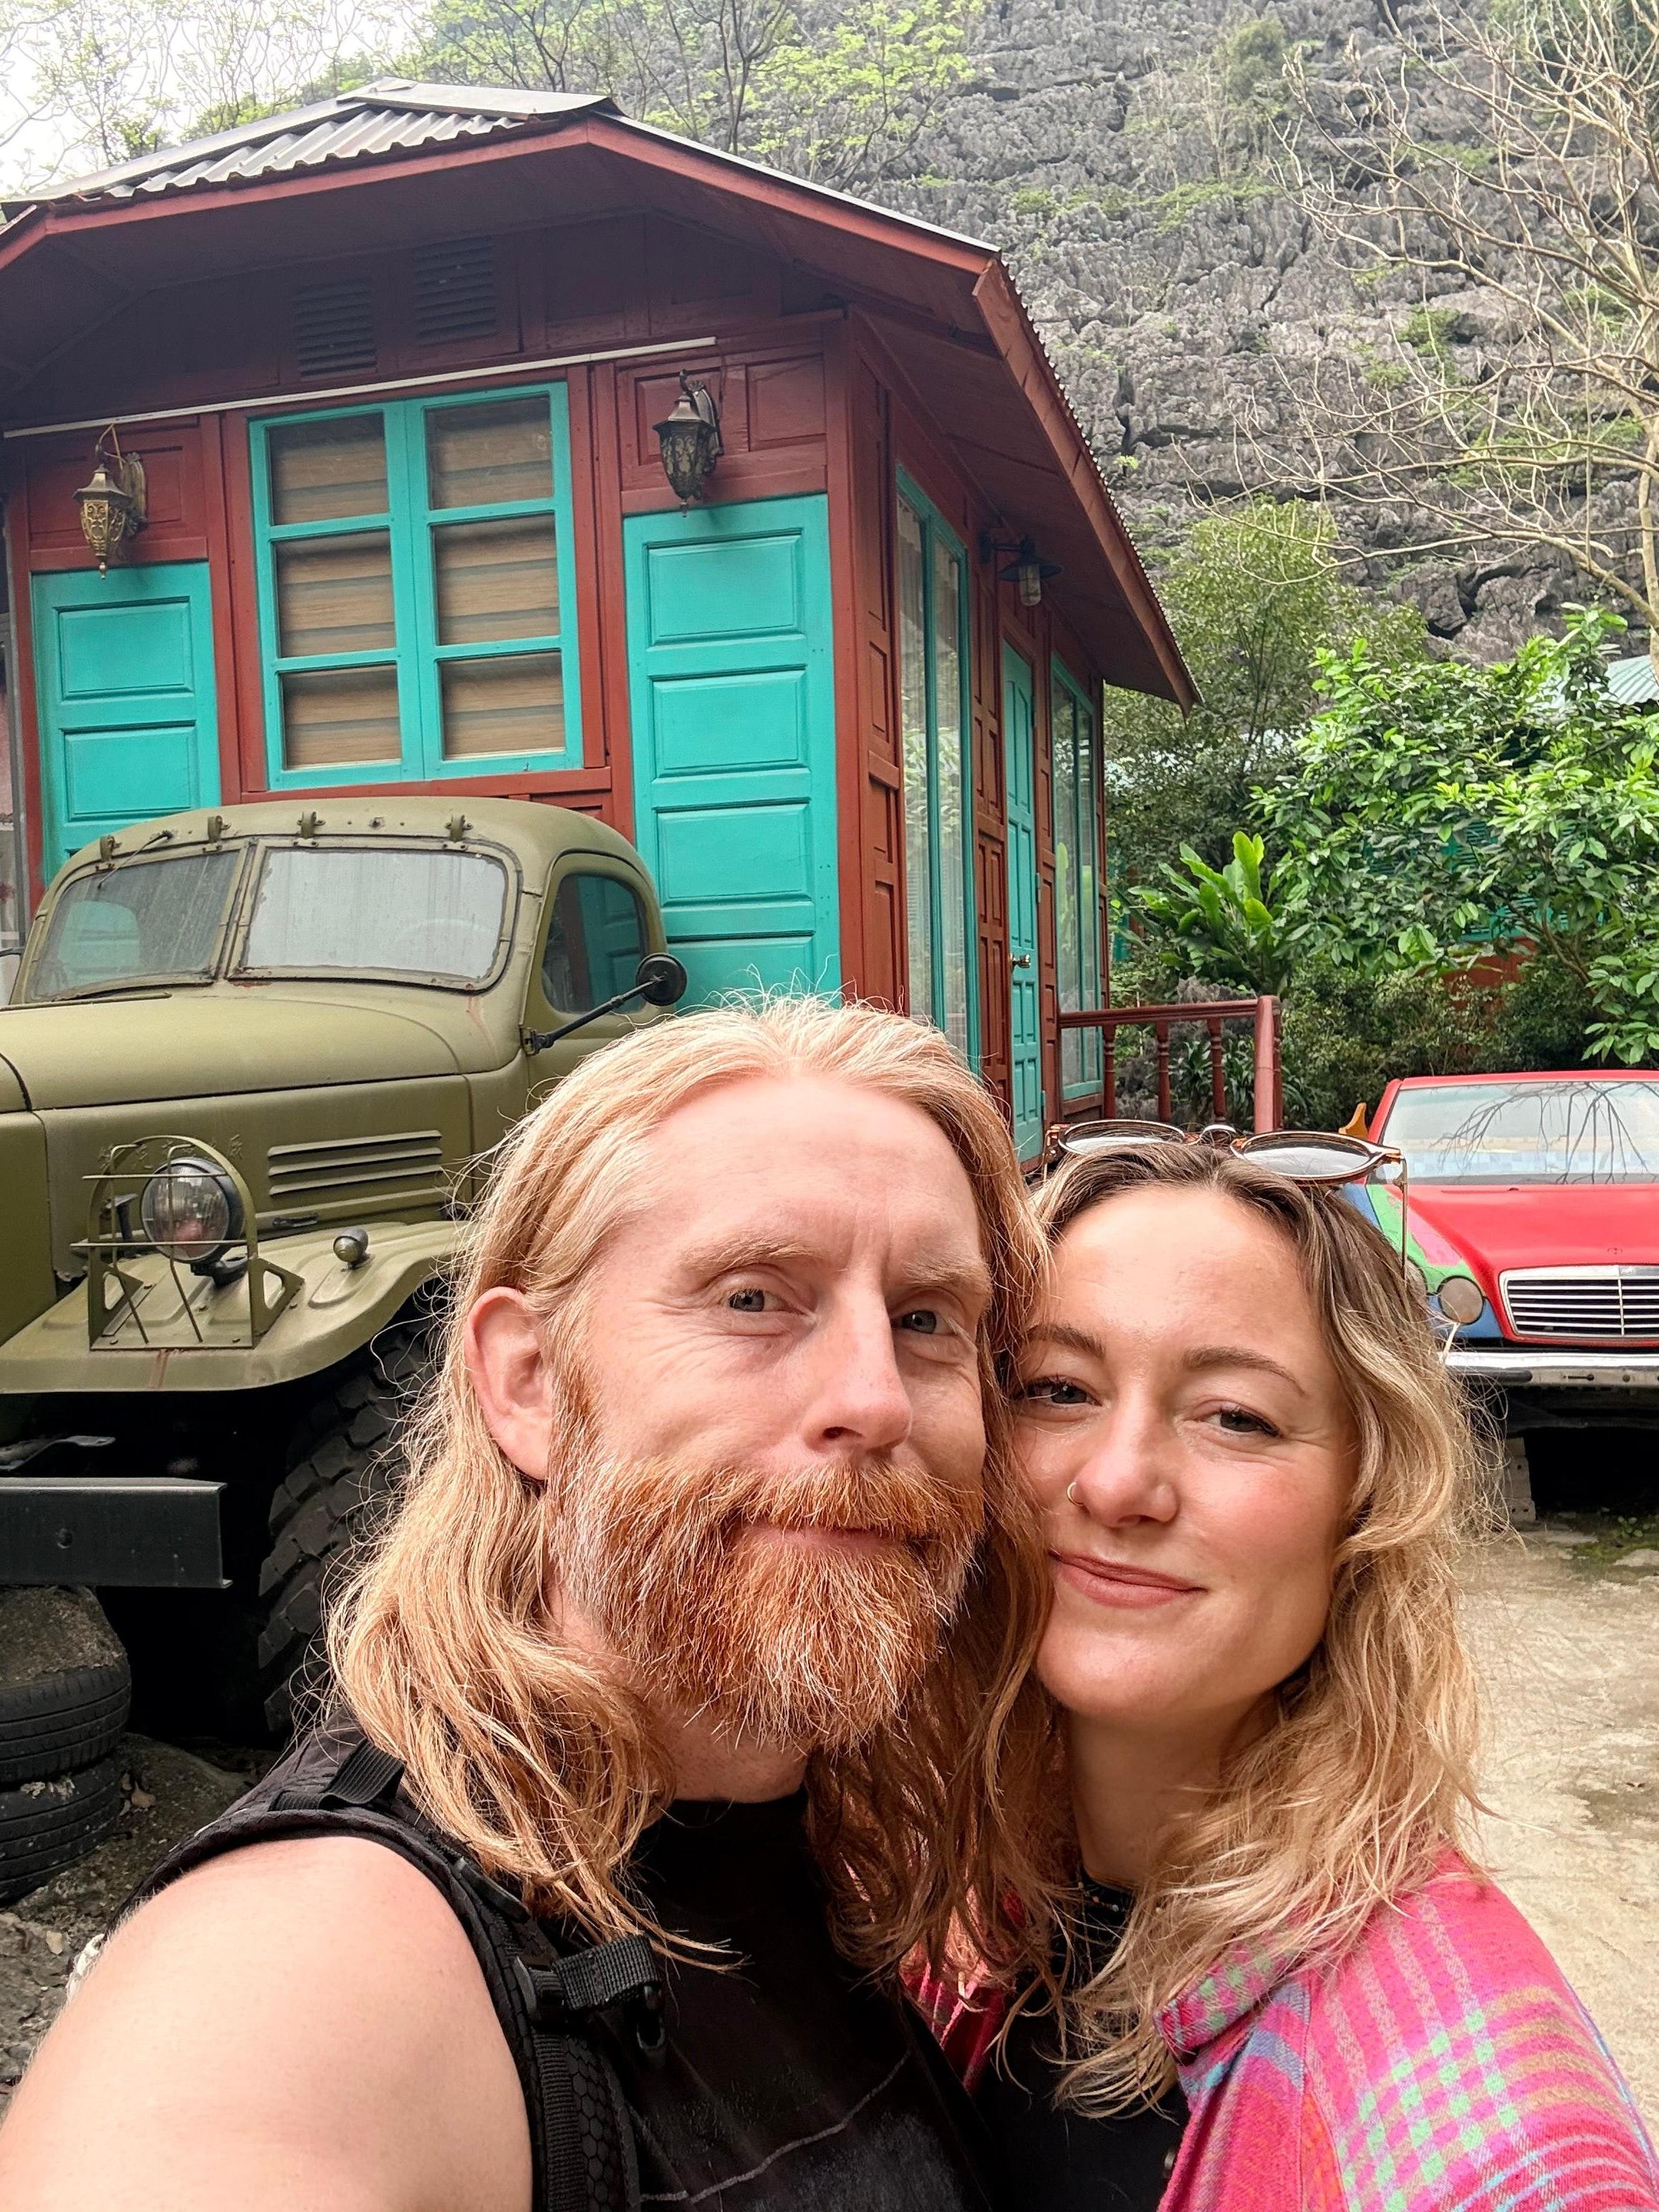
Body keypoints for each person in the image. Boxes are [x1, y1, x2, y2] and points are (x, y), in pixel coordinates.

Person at [0, 994, 1060, 2212]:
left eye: (926, 1320)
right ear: (529, 1385)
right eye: (754, 1298)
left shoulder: (856, 1840)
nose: (875, 1398)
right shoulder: (314, 1960)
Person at [930, 1138, 1659, 2211]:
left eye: (1237, 1416)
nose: (1120, 1482)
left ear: (1367, 1507)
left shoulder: (1491, 2135)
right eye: (1058, 1389)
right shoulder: (956, 1905)